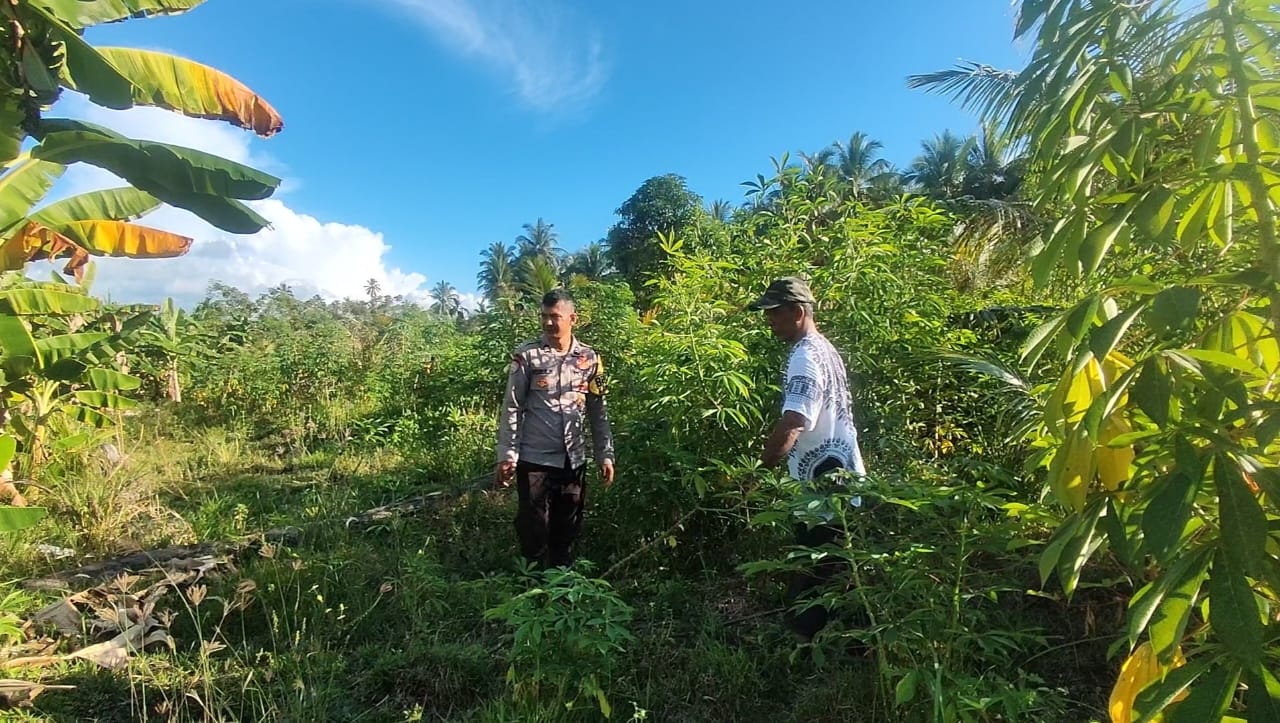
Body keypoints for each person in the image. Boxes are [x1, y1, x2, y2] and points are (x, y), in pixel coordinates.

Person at [749, 276, 867, 642]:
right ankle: (849, 643)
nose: (769, 320)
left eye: (775, 313)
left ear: (798, 312)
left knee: (814, 572)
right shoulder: (825, 349)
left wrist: (758, 471)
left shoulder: (804, 357)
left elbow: (795, 420)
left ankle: (804, 649)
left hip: (823, 488)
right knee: (836, 570)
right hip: (843, 478)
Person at [496, 288, 615, 568]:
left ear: (573, 318)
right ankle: (532, 587)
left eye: (555, 316)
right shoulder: (527, 357)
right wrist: (507, 455)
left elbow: (599, 410)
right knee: (534, 527)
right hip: (535, 458)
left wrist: (605, 453)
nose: (548, 323)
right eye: (544, 316)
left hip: (573, 460)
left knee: (568, 526)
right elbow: (512, 407)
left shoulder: (590, 359)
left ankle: (562, 584)